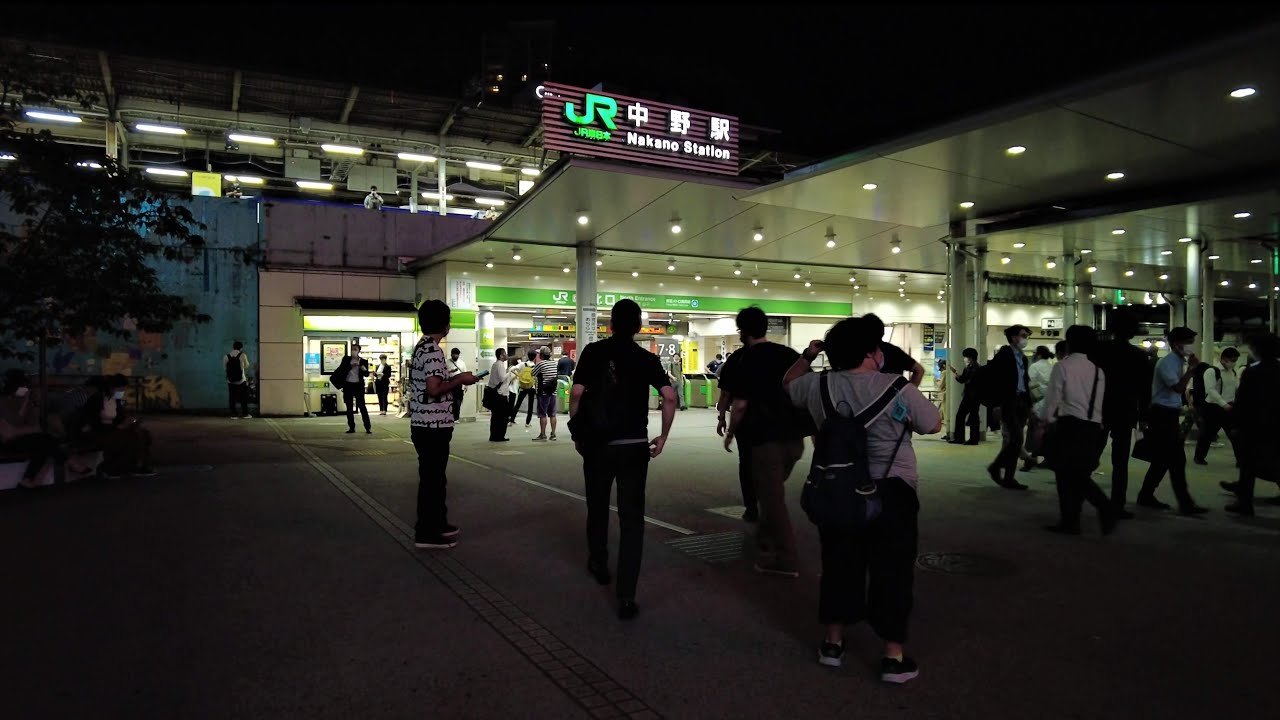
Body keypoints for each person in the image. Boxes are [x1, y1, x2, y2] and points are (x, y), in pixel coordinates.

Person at [783, 316, 940, 685]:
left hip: (838, 488)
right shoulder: (897, 387)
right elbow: (933, 423)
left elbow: (787, 383)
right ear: (872, 351)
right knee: (893, 571)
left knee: (839, 563)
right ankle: (892, 657)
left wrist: (808, 355)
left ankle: (833, 644)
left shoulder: (816, 384)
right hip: (891, 491)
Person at [569, 299, 676, 620]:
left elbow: (575, 394)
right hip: (633, 446)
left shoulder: (594, 352)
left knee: (598, 505)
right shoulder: (645, 357)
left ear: (610, 324)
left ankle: (599, 563)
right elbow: (669, 396)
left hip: (598, 445)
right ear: (639, 327)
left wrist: (578, 433)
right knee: (632, 519)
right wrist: (664, 435)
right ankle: (626, 595)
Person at [722, 307, 815, 578]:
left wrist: (730, 432)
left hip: (765, 440)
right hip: (794, 441)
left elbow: (740, 404)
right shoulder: (788, 354)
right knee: (768, 493)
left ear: (744, 332)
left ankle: (787, 560)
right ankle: (763, 541)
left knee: (772, 500)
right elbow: (807, 393)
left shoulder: (745, 359)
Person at [410, 300, 479, 550]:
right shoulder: (432, 350)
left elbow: (433, 383)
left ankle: (437, 523)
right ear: (446, 325)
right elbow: (434, 389)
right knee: (433, 479)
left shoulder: (423, 347)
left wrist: (454, 378)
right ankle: (427, 533)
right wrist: (460, 378)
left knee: (434, 477)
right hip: (431, 426)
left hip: (426, 424)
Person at [1042, 326, 1117, 536]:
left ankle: (1099, 509)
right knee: (1079, 474)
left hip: (1069, 426)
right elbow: (1099, 402)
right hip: (1093, 427)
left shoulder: (1062, 367)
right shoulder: (1097, 371)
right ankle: (1071, 521)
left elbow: (1053, 398)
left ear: (1069, 343)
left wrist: (1045, 421)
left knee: (1067, 476)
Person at [1137, 327, 1208, 515]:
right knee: (1176, 459)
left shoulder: (1177, 361)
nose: (1191, 347)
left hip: (1168, 413)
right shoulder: (1168, 362)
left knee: (1162, 460)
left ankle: (1146, 495)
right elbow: (1177, 388)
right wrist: (1192, 370)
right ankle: (1185, 503)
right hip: (1161, 415)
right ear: (1177, 344)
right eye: (1188, 343)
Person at [1089, 313, 1152, 519]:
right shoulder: (1140, 356)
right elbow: (1145, 390)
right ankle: (1118, 504)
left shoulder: (1098, 351)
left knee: (1090, 456)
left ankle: (1081, 496)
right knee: (1120, 462)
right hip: (1125, 412)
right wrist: (1143, 417)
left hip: (1099, 410)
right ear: (1133, 332)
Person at [1224, 332, 1280, 515]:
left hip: (1253, 426)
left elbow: (1243, 401)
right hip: (1275, 425)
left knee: (1248, 466)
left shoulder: (1252, 371)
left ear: (1257, 350)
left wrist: (1235, 425)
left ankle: (1245, 503)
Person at [76, 375, 155, 478]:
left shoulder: (115, 400)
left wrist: (128, 421)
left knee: (142, 434)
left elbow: (120, 416)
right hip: (99, 431)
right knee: (126, 438)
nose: (122, 391)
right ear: (113, 387)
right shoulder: (97, 399)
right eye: (121, 388)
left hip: (112, 429)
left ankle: (138, 464)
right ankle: (114, 467)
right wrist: (117, 426)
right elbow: (91, 420)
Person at [986, 325, 1032, 490]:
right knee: (1017, 439)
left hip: (1022, 401)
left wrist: (1029, 403)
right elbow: (994, 379)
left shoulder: (1024, 358)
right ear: (1013, 337)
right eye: (1023, 335)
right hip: (1008, 401)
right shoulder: (1004, 355)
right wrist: (996, 404)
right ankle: (996, 466)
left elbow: (1025, 381)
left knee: (1015, 441)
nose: (1026, 338)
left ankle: (1009, 478)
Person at [716, 347, 758, 522]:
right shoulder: (780, 354)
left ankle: (752, 507)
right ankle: (771, 502)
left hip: (747, 422)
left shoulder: (737, 359)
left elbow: (727, 395)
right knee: (769, 463)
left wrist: (724, 422)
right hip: (775, 423)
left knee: (747, 463)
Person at [0, 369, 61, 488]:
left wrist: (34, 403)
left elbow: (35, 425)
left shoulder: (27, 403)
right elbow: (14, 423)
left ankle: (27, 479)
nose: (25, 389)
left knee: (45, 444)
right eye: (22, 387)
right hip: (8, 443)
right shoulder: (3, 402)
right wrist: (25, 402)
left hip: (24, 439)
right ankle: (70, 460)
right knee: (48, 441)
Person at [1192, 347, 1240, 466]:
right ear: (1223, 359)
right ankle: (1199, 457)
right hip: (1213, 408)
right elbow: (1210, 390)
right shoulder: (1212, 371)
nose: (1234, 363)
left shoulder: (1232, 372)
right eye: (1232, 360)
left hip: (1229, 407)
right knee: (1207, 434)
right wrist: (1223, 404)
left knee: (1236, 435)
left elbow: (1234, 388)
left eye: (1235, 360)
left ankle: (1241, 460)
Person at [1023, 344, 1059, 471]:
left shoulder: (1034, 367)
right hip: (1050, 403)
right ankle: (1047, 459)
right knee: (1047, 433)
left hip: (1038, 402)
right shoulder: (1052, 367)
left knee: (1034, 433)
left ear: (1038, 354)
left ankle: (1030, 460)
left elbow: (1030, 385)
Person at [864, 314, 925, 386]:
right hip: (894, 394)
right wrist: (907, 393)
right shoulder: (894, 351)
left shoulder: (860, 352)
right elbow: (919, 370)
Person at [330, 345, 371, 434]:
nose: (353, 351)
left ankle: (368, 427)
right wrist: (351, 365)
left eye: (355, 349)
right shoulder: (346, 359)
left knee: (362, 406)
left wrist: (361, 367)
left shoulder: (363, 361)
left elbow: (367, 374)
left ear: (359, 351)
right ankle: (351, 427)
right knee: (349, 407)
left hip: (358, 386)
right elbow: (342, 369)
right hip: (348, 385)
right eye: (352, 349)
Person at [949, 348, 981, 444]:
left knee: (971, 417)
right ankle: (962, 438)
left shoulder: (976, 368)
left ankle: (971, 439)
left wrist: (962, 379)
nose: (965, 358)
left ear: (970, 357)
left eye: (966, 357)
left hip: (973, 396)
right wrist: (956, 374)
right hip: (968, 395)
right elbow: (963, 379)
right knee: (966, 416)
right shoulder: (968, 367)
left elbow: (970, 381)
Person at [531, 347, 559, 441]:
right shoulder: (555, 363)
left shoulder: (540, 364)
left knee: (543, 414)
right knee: (553, 414)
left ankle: (543, 434)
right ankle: (553, 434)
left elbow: (533, 373)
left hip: (543, 393)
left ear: (541, 355)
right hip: (553, 392)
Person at [486, 348, 511, 442]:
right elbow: (502, 378)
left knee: (496, 416)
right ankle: (499, 435)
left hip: (497, 393)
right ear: (501, 355)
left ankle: (494, 435)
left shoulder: (495, 364)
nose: (506, 355)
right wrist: (509, 372)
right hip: (500, 394)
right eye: (504, 353)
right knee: (502, 417)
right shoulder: (500, 365)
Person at [510, 350, 538, 427]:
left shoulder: (522, 364)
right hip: (531, 387)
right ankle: (527, 423)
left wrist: (519, 376)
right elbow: (536, 377)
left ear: (527, 356)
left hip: (522, 386)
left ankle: (511, 420)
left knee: (518, 403)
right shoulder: (535, 366)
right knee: (530, 405)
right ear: (535, 357)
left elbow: (512, 369)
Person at [225, 341, 251, 419]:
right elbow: (247, 365)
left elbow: (225, 368)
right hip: (241, 380)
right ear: (241, 348)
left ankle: (233, 414)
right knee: (243, 397)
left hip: (230, 381)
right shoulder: (242, 355)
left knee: (232, 398)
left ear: (233, 347)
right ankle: (245, 414)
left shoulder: (226, 356)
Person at [447, 347, 468, 422]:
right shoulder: (447, 362)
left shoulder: (462, 363)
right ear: (451, 354)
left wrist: (466, 385)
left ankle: (456, 418)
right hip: (450, 383)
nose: (456, 356)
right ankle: (450, 417)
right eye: (454, 355)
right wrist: (450, 371)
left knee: (458, 401)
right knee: (450, 401)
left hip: (459, 384)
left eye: (457, 355)